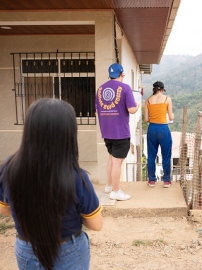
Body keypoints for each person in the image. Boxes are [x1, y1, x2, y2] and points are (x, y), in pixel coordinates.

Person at [0, 98, 103, 270]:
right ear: (68, 134)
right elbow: (96, 224)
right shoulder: (77, 177)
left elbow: (4, 209)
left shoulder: (8, 168)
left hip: (26, 248)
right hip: (68, 250)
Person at [96, 63, 140, 201]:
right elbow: (132, 110)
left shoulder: (100, 89)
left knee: (111, 158)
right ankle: (116, 191)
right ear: (122, 74)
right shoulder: (125, 88)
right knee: (117, 162)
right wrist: (138, 104)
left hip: (106, 131)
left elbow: (97, 109)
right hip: (120, 132)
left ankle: (109, 185)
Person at [144, 81, 174, 188]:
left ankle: (151, 180)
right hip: (163, 128)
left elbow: (146, 119)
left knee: (151, 155)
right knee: (166, 155)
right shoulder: (167, 99)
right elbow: (171, 117)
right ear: (162, 89)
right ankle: (166, 181)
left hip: (152, 128)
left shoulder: (148, 101)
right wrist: (172, 115)